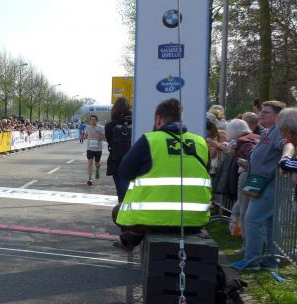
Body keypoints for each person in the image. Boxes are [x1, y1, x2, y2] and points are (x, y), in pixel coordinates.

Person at [114, 98, 211, 251]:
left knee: (118, 211)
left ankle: (131, 238)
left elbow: (124, 172)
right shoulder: (200, 143)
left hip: (152, 220)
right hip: (195, 221)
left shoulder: (150, 140)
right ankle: (131, 238)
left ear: (158, 119)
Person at [231, 101, 288, 271]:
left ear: (278, 116)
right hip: (262, 182)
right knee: (269, 223)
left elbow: (287, 146)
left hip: (271, 184)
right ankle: (270, 260)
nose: (261, 114)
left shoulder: (279, 131)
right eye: (261, 111)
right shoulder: (269, 131)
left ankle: (252, 261)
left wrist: (286, 158)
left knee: (252, 219)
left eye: (266, 112)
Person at [105, 97, 133, 201]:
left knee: (122, 193)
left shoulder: (109, 126)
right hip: (135, 161)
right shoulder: (136, 123)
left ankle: (122, 209)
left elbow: (109, 141)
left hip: (117, 162)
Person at [83, 114, 104, 186]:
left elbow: (103, 137)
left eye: (94, 120)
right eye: (91, 120)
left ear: (97, 120)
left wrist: (98, 136)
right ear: (90, 120)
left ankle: (97, 169)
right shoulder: (87, 128)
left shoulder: (101, 128)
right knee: (90, 162)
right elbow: (85, 136)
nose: (93, 121)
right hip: (90, 148)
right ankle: (90, 179)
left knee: (97, 163)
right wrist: (83, 136)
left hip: (98, 149)